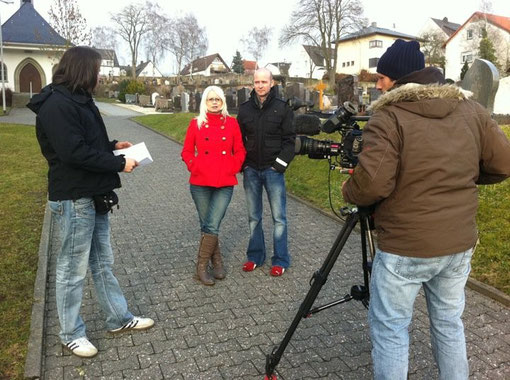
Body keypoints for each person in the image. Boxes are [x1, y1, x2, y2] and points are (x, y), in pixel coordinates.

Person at [342, 39, 510, 379]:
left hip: (406, 245)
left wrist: (348, 188)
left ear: (400, 80)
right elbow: (503, 163)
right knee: (449, 323)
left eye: (382, 78)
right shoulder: (472, 110)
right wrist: (463, 180)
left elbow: (372, 184)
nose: (377, 84)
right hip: (457, 244)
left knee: (391, 329)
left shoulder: (389, 116)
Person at [27, 46, 154, 359]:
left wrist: (113, 147)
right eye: (96, 70)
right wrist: (117, 163)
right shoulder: (57, 104)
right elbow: (72, 153)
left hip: (92, 195)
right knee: (72, 270)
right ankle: (70, 333)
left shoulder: (77, 99)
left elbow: (84, 143)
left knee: (101, 262)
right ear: (84, 70)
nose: (99, 76)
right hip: (73, 198)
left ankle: (118, 318)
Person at [181, 86, 246, 286]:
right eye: (211, 99)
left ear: (223, 101)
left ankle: (200, 267)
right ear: (205, 102)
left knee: (212, 223)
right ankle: (214, 262)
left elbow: (240, 151)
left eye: (218, 99)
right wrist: (194, 165)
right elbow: (186, 151)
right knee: (208, 224)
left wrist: (232, 168)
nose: (215, 102)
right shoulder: (196, 124)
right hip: (200, 181)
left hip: (224, 181)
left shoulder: (232, 123)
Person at [237, 68, 296, 276]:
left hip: (273, 170)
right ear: (252, 84)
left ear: (272, 83)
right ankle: (255, 256)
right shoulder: (244, 110)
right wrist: (242, 165)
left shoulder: (282, 109)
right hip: (251, 169)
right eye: (257, 82)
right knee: (254, 217)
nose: (260, 85)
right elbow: (238, 141)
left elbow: (291, 142)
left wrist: (279, 165)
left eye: (264, 81)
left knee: (279, 218)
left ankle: (280, 260)